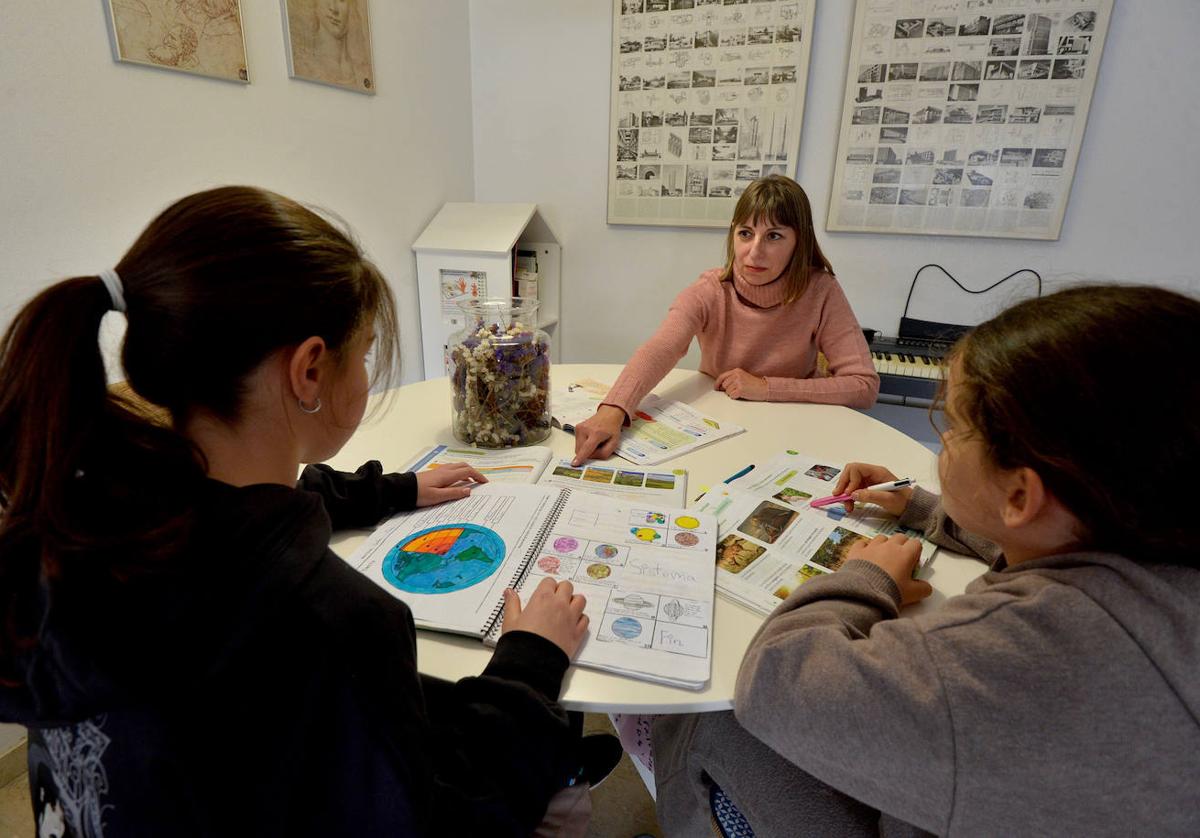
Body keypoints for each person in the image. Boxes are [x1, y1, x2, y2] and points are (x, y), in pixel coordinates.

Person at [0, 186, 596, 835]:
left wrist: (392, 491)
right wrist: (531, 659)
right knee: (564, 804)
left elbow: (255, 505)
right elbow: (442, 814)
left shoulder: (77, 516)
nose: (368, 370)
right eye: (365, 352)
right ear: (310, 369)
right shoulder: (334, 622)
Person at [653, 285, 1200, 835]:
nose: (943, 443)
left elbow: (773, 684)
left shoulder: (991, 658)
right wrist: (921, 506)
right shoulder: (1155, 536)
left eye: (955, 426)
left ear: (1020, 496)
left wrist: (865, 579)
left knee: (710, 720)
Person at [572, 175, 879, 465]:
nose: (753, 252)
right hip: (720, 429)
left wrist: (766, 388)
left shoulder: (821, 290)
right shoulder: (712, 289)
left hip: (794, 432)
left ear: (800, 242)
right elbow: (662, 347)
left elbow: (863, 386)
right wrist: (613, 409)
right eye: (745, 233)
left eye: (773, 236)